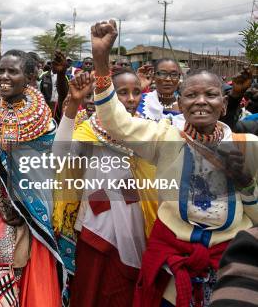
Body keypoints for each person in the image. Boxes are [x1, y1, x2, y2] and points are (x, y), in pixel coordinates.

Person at [89, 19, 258, 307]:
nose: (201, 101)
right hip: (169, 263)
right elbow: (115, 123)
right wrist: (101, 59)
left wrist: (246, 184)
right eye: (191, 95)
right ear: (180, 105)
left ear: (225, 105)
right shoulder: (164, 137)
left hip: (229, 265)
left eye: (211, 94)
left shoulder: (249, 148)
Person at [53, 69, 157, 306]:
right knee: (91, 292)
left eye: (136, 92)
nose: (131, 99)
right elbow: (59, 157)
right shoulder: (90, 130)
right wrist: (73, 105)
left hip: (137, 226)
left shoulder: (151, 131)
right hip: (96, 224)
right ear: (107, 95)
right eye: (122, 92)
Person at [0, 49, 63, 306]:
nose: (3, 76)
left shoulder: (43, 124)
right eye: (0, 70)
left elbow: (47, 170)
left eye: (12, 71)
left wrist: (22, 204)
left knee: (28, 271)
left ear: (29, 77)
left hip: (30, 211)